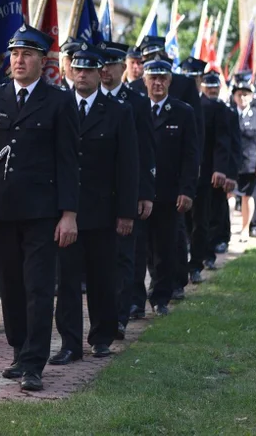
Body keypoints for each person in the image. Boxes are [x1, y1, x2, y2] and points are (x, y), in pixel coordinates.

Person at [0, 25, 80, 392]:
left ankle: (35, 362)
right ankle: (19, 351)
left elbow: (68, 162)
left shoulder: (59, 102)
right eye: (15, 53)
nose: (19, 60)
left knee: (38, 287)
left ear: (42, 61)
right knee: (10, 286)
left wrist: (68, 214)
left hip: (40, 212)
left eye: (28, 54)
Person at [50, 46, 138, 365]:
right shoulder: (58, 106)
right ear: (71, 72)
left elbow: (128, 166)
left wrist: (126, 212)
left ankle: (101, 336)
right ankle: (70, 343)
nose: (82, 75)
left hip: (103, 211)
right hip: (65, 210)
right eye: (77, 69)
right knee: (68, 281)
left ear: (101, 73)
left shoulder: (117, 111)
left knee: (103, 278)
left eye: (88, 70)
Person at [96, 41, 155, 329]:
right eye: (101, 64)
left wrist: (144, 193)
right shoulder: (85, 99)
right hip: (94, 193)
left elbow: (144, 151)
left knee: (124, 255)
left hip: (125, 191)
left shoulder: (138, 102)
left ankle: (120, 315)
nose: (105, 70)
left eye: (111, 64)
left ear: (123, 67)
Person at [138, 59, 198, 315]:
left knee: (164, 248)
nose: (158, 83)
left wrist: (187, 190)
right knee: (137, 250)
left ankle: (160, 297)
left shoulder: (183, 112)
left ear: (170, 82)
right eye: (153, 78)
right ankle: (134, 301)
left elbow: (190, 156)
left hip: (168, 192)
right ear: (145, 81)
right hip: (139, 191)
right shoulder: (135, 108)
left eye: (163, 78)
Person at [190, 71, 234, 283]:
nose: (212, 90)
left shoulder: (219, 109)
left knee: (203, 218)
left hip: (207, 173)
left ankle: (201, 259)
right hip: (188, 171)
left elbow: (223, 141)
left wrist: (221, 169)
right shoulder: (189, 106)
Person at [202, 72, 239, 259]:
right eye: (208, 86)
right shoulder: (195, 108)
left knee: (218, 207)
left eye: (215, 87)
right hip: (200, 169)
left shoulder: (228, 112)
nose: (212, 90)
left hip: (219, 170)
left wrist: (230, 173)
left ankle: (219, 240)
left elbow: (233, 145)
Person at [231, 77, 256, 240]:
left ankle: (245, 229)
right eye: (239, 95)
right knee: (229, 197)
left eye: (246, 95)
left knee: (248, 197)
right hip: (231, 164)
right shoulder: (229, 114)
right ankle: (227, 229)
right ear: (234, 97)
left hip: (250, 164)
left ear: (252, 97)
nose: (242, 98)